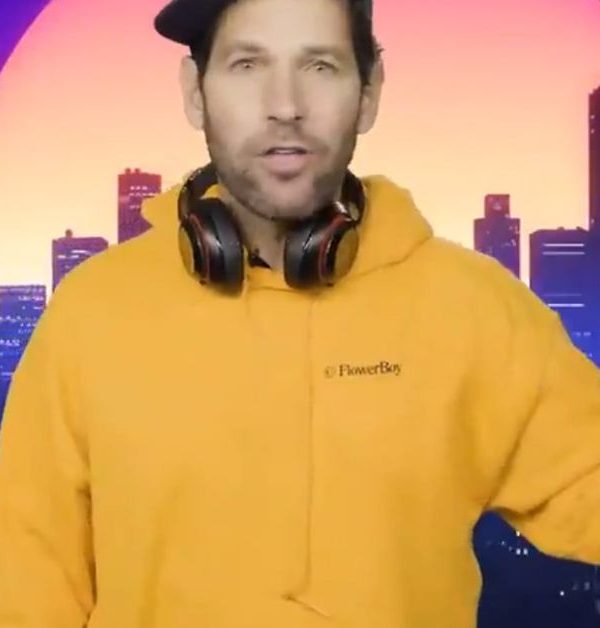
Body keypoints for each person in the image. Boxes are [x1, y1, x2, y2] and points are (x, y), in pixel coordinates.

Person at [0, 0, 599, 626]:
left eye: (320, 65)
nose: (285, 105)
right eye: (247, 64)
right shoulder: (93, 314)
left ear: (369, 92)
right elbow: (28, 588)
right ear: (195, 93)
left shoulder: (474, 309)